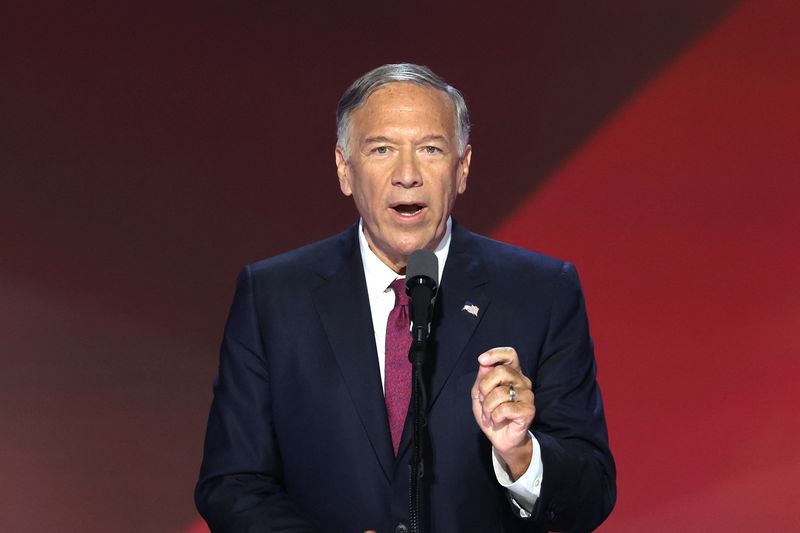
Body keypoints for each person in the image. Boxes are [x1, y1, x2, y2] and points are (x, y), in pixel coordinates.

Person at [195, 63, 616, 533]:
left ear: (463, 168)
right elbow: (231, 484)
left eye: (431, 149)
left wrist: (520, 453)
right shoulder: (272, 297)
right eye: (382, 149)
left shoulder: (541, 291)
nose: (408, 175)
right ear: (344, 169)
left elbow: (591, 493)